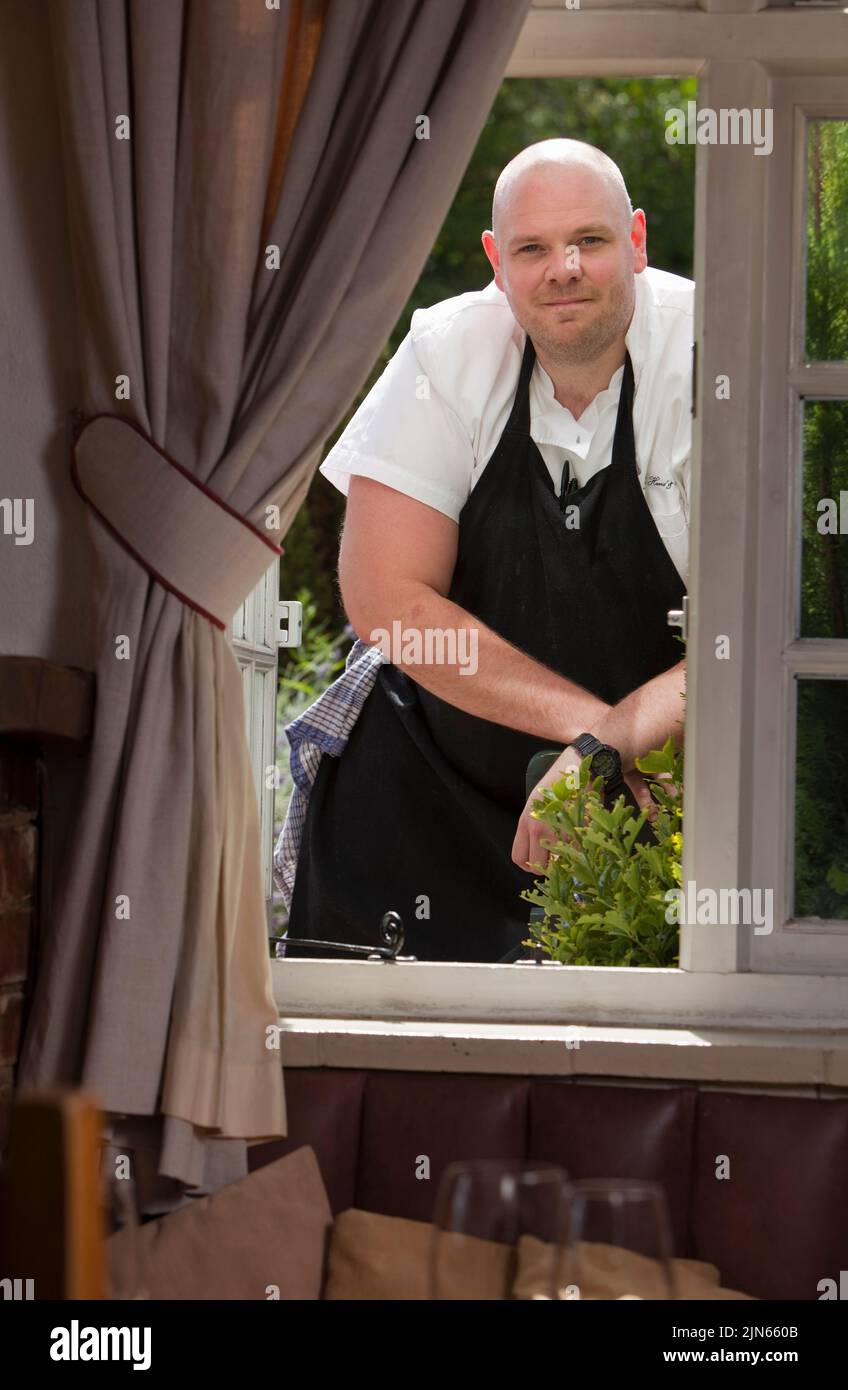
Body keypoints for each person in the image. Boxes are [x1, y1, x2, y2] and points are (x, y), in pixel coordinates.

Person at [275, 138, 690, 963]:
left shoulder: (717, 362)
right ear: (499, 263)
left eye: (590, 241)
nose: (562, 268)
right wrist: (593, 740)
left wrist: (614, 758)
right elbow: (389, 601)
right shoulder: (446, 351)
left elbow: (755, 630)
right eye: (532, 249)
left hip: (644, 802)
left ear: (636, 242)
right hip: (422, 797)